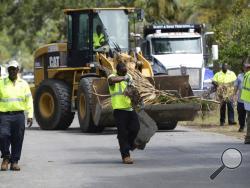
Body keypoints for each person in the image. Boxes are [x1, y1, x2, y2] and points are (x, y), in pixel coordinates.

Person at [0, 60, 33, 171]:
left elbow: (29, 100)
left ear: (18, 70)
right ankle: (6, 157)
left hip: (19, 116)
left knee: (18, 139)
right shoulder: (1, 82)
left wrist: (30, 115)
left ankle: (14, 162)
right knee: (3, 136)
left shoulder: (23, 84)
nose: (12, 71)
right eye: (10, 69)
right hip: (4, 115)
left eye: (14, 69)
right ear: (8, 70)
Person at [108, 62, 140, 164]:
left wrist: (138, 101)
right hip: (119, 109)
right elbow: (112, 81)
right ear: (118, 70)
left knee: (136, 128)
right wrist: (124, 78)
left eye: (125, 71)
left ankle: (127, 145)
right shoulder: (112, 76)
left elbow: (133, 91)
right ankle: (125, 156)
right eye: (122, 72)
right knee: (123, 133)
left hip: (130, 108)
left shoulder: (129, 76)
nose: (124, 73)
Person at [234, 64, 247, 132]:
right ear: (243, 68)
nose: (246, 68)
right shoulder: (239, 76)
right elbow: (236, 86)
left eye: (248, 67)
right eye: (245, 67)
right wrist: (234, 95)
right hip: (240, 100)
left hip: (248, 100)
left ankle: (248, 128)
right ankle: (242, 126)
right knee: (241, 114)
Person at [240, 59, 250, 144]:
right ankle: (248, 138)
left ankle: (248, 137)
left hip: (246, 100)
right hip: (249, 99)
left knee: (248, 118)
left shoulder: (246, 75)